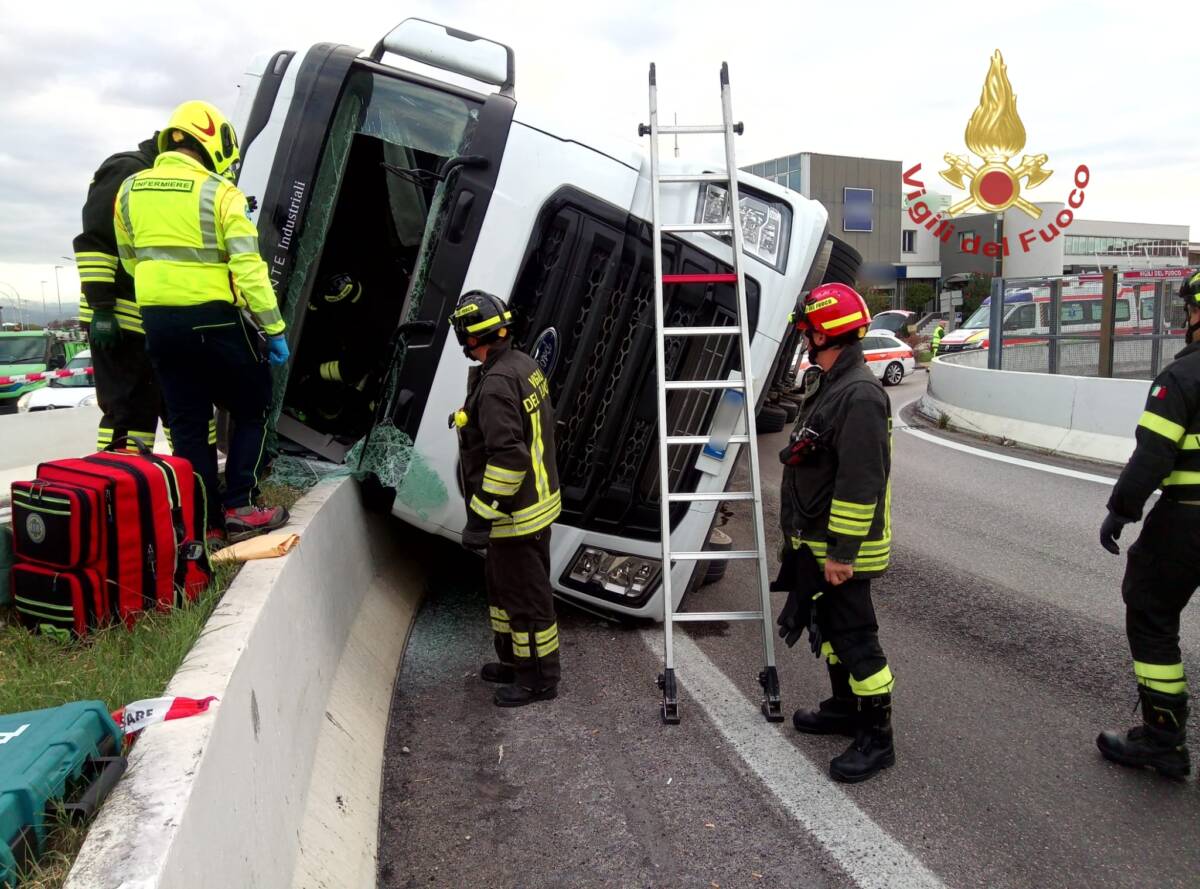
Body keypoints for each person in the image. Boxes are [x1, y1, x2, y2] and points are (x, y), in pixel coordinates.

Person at [113, 100, 290, 544]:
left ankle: (203, 523)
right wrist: (273, 329)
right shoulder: (220, 193)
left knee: (188, 423)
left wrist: (164, 300)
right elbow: (249, 269)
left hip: (159, 323)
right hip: (213, 321)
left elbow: (129, 258)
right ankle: (241, 507)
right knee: (253, 405)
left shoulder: (130, 190)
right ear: (212, 143)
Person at [775, 282, 896, 783]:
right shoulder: (829, 383)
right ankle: (846, 707)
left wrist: (842, 553)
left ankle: (877, 737)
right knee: (830, 634)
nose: (803, 338)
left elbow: (860, 482)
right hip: (819, 542)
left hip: (843, 548)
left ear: (824, 333)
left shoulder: (860, 395)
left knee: (854, 638)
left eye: (807, 330)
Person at [1095, 270, 1200, 779]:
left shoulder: (1182, 378)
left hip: (1188, 519)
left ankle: (1163, 739)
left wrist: (1122, 509)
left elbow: (1154, 455)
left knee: (1152, 612)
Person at [450, 290, 561, 707]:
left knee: (526, 601)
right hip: (528, 509)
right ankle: (515, 662)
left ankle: (539, 681)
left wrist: (480, 518)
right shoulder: (521, 364)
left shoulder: (496, 383)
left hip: (516, 517)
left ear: (471, 337)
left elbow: (510, 458)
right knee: (505, 595)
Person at [73, 134, 170, 452]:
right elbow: (95, 241)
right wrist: (102, 307)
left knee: (154, 410)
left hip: (144, 319)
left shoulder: (156, 177)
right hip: (115, 318)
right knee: (127, 414)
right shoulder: (127, 169)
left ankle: (149, 486)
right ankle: (119, 490)